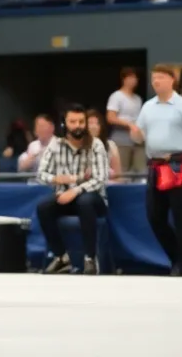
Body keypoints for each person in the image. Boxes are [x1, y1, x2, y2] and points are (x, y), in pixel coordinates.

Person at [135, 65, 182, 276]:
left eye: (160, 77)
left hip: (177, 164)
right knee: (154, 216)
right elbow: (139, 137)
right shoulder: (147, 107)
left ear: (171, 80)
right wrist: (134, 133)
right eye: (153, 78)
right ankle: (177, 257)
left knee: (180, 216)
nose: (156, 81)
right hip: (154, 164)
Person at [35, 104, 112, 275]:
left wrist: (75, 191)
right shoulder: (56, 144)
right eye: (73, 121)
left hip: (93, 199)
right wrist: (56, 179)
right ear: (64, 124)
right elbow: (40, 174)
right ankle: (61, 258)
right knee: (43, 207)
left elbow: (100, 179)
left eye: (81, 121)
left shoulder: (96, 145)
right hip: (65, 196)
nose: (78, 125)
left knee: (85, 202)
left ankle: (90, 258)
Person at [106, 67, 146, 173]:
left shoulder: (138, 99)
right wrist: (129, 124)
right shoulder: (116, 96)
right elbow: (110, 117)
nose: (133, 80)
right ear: (124, 79)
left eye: (135, 78)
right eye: (130, 77)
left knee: (141, 171)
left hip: (138, 141)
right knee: (121, 171)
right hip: (121, 141)